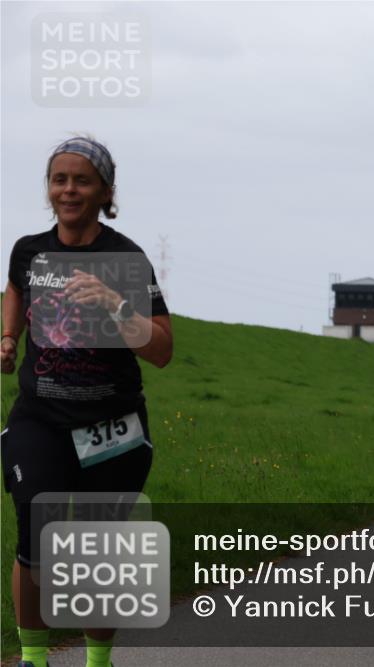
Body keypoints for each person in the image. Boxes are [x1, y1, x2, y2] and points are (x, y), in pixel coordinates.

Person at [1, 137, 173, 667]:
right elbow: (14, 290)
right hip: (41, 419)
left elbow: (162, 350)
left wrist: (116, 303)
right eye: (60, 179)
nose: (69, 190)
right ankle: (33, 657)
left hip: (111, 426)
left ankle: (98, 659)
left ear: (105, 191)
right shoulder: (29, 249)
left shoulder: (125, 258)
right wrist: (8, 337)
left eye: (82, 180)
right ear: (49, 189)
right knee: (36, 528)